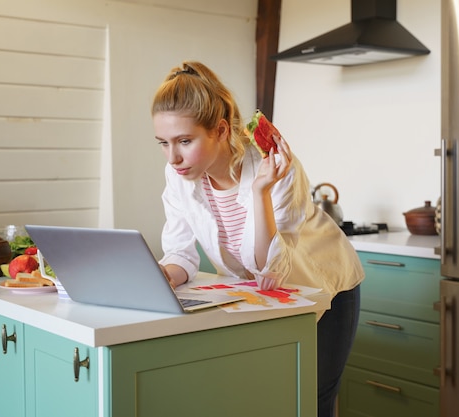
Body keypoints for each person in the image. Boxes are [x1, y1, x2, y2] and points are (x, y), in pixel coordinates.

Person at [151, 61, 364, 417]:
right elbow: (180, 253)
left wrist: (260, 191)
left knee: (311, 399)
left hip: (321, 286)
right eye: (163, 143)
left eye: (184, 141)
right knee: (264, 398)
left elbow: (269, 266)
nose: (173, 158)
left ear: (219, 130)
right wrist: (162, 274)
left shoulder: (274, 166)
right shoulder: (179, 176)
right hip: (259, 296)